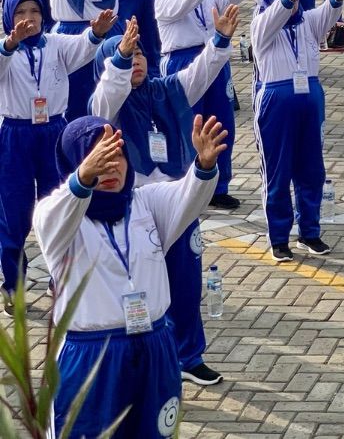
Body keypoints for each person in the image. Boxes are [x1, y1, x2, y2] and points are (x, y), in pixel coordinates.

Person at [34, 114, 226, 438]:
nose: (111, 167)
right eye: (100, 158)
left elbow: (187, 195)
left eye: (117, 155)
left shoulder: (144, 202)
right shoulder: (62, 219)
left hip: (155, 345)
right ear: (76, 165)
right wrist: (83, 177)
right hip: (90, 357)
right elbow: (50, 218)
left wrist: (204, 166)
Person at [90, 10, 236, 387]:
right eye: (125, 55)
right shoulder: (106, 106)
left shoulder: (164, 90)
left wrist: (218, 40)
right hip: (135, 206)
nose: (134, 60)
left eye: (138, 53)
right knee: (140, 287)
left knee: (186, 280)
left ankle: (189, 355)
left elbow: (199, 74)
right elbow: (110, 91)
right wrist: (118, 59)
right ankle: (142, 362)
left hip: (177, 200)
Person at [0, 0, 115, 303]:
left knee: (63, 203)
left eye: (34, 11)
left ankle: (60, 276)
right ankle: (14, 285)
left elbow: (81, 48)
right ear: (9, 18)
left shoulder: (54, 43)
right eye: (20, 12)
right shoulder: (5, 50)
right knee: (14, 211)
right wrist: (9, 44)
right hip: (16, 135)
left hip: (54, 131)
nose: (28, 19)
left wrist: (96, 33)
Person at [251, 0, 344, 261]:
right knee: (278, 171)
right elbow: (274, 15)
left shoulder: (306, 22)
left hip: (310, 99)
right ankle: (279, 238)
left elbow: (327, 13)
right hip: (276, 102)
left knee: (312, 169)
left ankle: (309, 231)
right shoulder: (262, 25)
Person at [156, 0, 256, 209]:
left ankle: (218, 186)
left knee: (221, 123)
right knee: (189, 126)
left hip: (214, 57)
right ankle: (188, 185)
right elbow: (181, 6)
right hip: (182, 62)